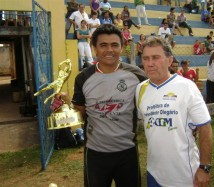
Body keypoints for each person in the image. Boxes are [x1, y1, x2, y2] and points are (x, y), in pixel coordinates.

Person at [51, 24, 146, 187]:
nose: (110, 50)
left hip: (127, 152)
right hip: (95, 153)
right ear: (94, 48)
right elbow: (79, 113)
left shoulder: (137, 75)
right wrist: (64, 105)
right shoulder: (83, 78)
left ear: (122, 48)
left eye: (115, 45)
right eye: (103, 45)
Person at [136, 36, 213, 187]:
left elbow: (205, 129)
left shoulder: (187, 87)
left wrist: (204, 168)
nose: (150, 63)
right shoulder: (140, 89)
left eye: (156, 58)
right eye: (145, 58)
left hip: (184, 174)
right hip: (154, 173)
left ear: (170, 60)